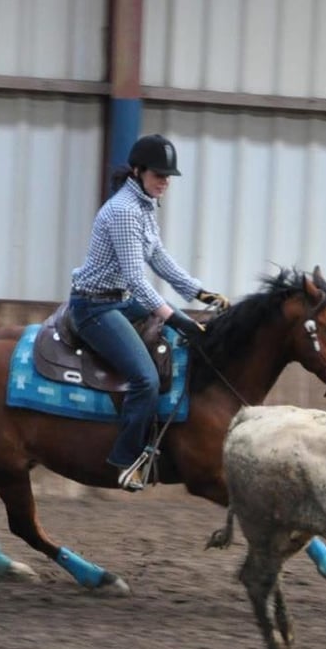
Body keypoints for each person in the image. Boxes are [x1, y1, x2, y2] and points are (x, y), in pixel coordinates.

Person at [69, 133, 229, 492]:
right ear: (138, 171)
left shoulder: (143, 205)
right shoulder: (125, 211)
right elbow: (137, 280)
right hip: (95, 306)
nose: (165, 182)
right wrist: (176, 317)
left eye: (168, 176)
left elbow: (158, 257)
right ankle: (125, 460)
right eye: (159, 174)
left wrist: (199, 292)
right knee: (146, 379)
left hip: (120, 299)